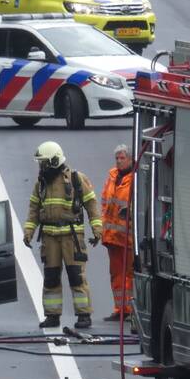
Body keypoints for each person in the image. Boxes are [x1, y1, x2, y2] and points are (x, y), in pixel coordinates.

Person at [23, 141, 103, 330]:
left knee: (76, 276)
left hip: (71, 238)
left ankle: (84, 315)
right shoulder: (40, 184)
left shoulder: (76, 179)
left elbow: (91, 205)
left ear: (54, 161)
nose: (41, 167)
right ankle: (52, 316)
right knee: (51, 278)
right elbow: (34, 209)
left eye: (44, 163)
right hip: (50, 239)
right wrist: (28, 232)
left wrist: (97, 230)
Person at [100, 144, 134, 325]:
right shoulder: (112, 177)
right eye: (117, 158)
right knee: (116, 274)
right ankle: (120, 309)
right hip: (113, 237)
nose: (119, 161)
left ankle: (131, 309)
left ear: (130, 159)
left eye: (123, 158)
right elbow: (105, 202)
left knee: (130, 274)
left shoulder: (135, 178)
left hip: (128, 238)